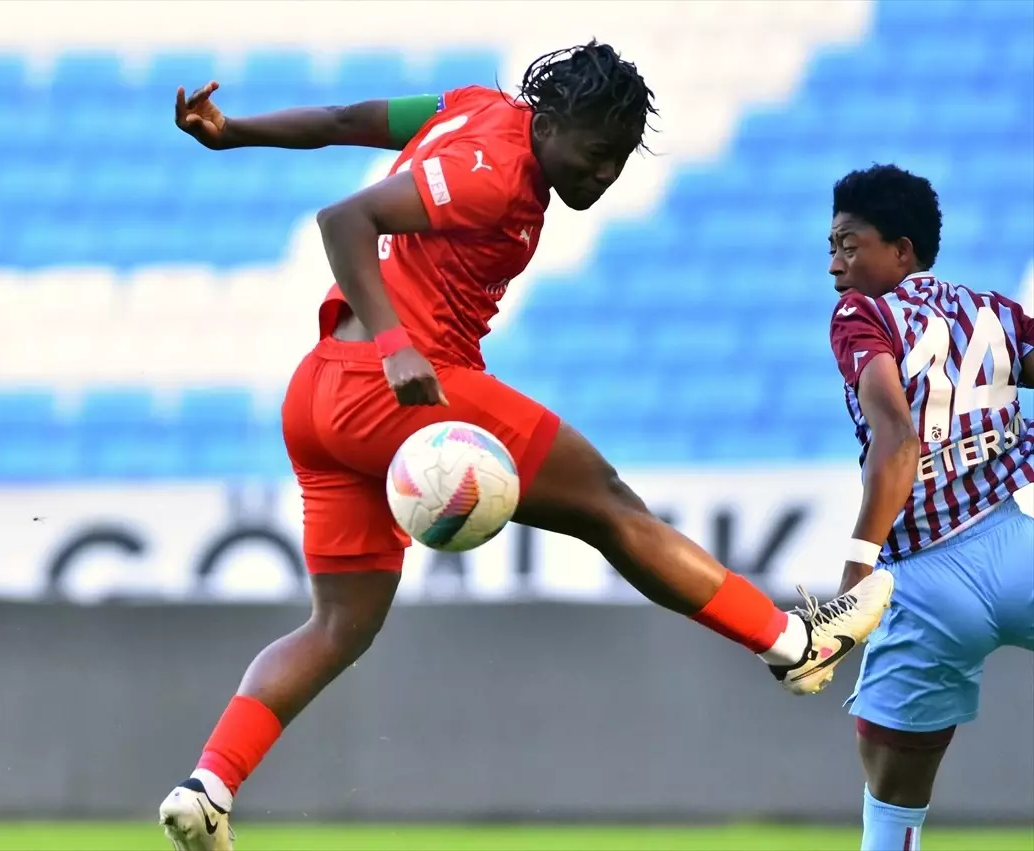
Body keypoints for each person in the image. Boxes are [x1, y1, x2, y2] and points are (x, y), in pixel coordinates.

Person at [158, 42, 894, 851]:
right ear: (548, 124)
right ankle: (792, 642)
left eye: (615, 163)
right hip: (398, 384)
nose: (600, 176)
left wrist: (235, 132)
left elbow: (345, 120)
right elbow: (345, 219)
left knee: (339, 624)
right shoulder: (494, 170)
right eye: (592, 153)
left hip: (319, 397)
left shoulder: (465, 105)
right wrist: (400, 346)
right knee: (609, 503)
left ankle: (209, 786)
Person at [826, 164, 1034, 851]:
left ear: (902, 251)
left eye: (849, 245)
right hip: (1019, 537)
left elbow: (897, 437)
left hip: (924, 580)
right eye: (832, 249)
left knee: (891, 797)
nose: (835, 267)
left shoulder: (864, 314)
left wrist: (854, 581)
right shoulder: (992, 312)